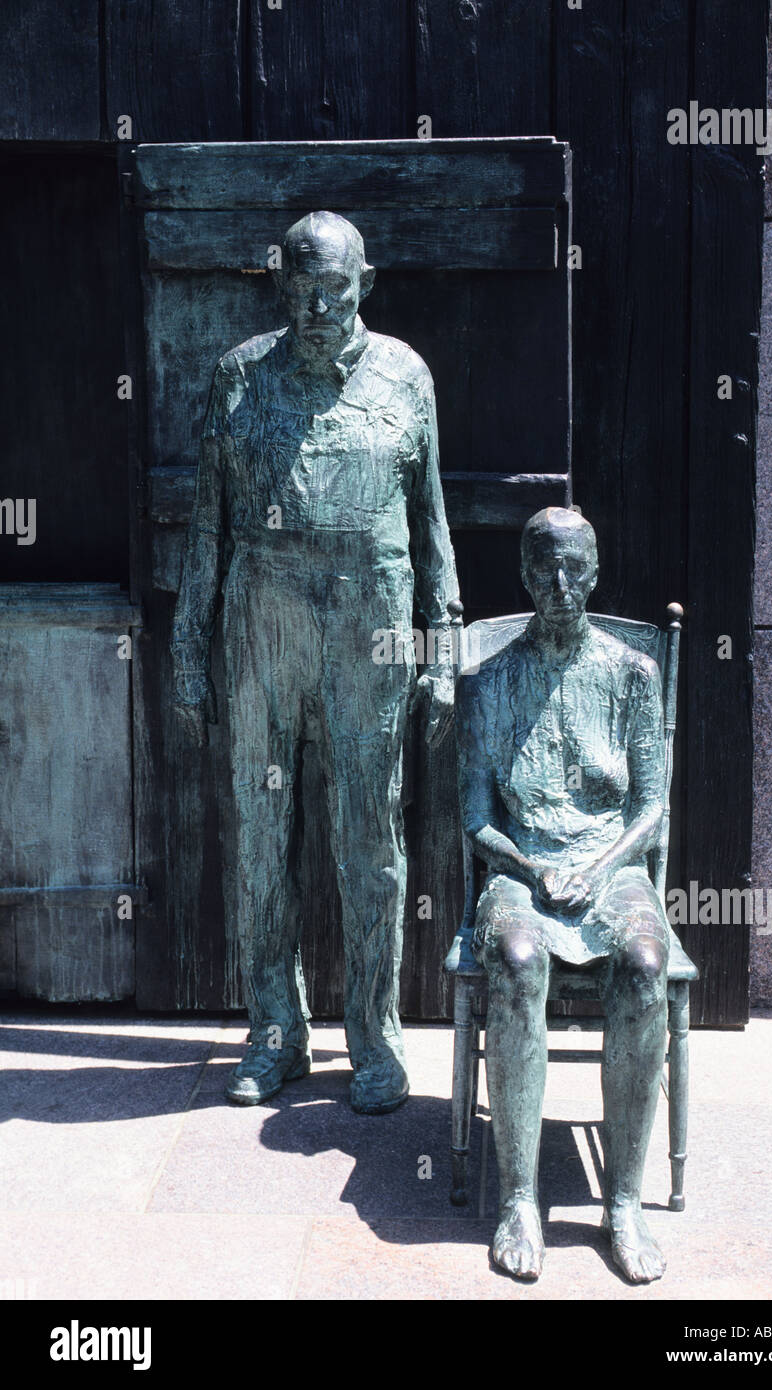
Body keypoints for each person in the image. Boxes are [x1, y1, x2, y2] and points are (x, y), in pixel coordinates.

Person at [171, 211, 459, 1115]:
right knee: (261, 832)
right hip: (263, 613)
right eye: (299, 290)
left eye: (333, 287)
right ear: (279, 288)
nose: (317, 306)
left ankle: (372, 1037)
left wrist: (440, 647)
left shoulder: (406, 373)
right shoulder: (237, 378)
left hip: (370, 618)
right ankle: (273, 1029)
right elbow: (207, 526)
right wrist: (191, 645)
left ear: (364, 282)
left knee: (368, 837)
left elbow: (431, 522)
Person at [456, 507, 669, 1281]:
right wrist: (529, 866)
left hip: (611, 867)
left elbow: (649, 807)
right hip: (522, 869)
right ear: (522, 573)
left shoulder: (631, 676)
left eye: (574, 567)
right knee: (514, 958)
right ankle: (517, 1196)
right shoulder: (489, 682)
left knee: (644, 963)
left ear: (594, 571)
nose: (558, 583)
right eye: (543, 566)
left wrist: (602, 864)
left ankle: (622, 1201)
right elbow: (474, 818)